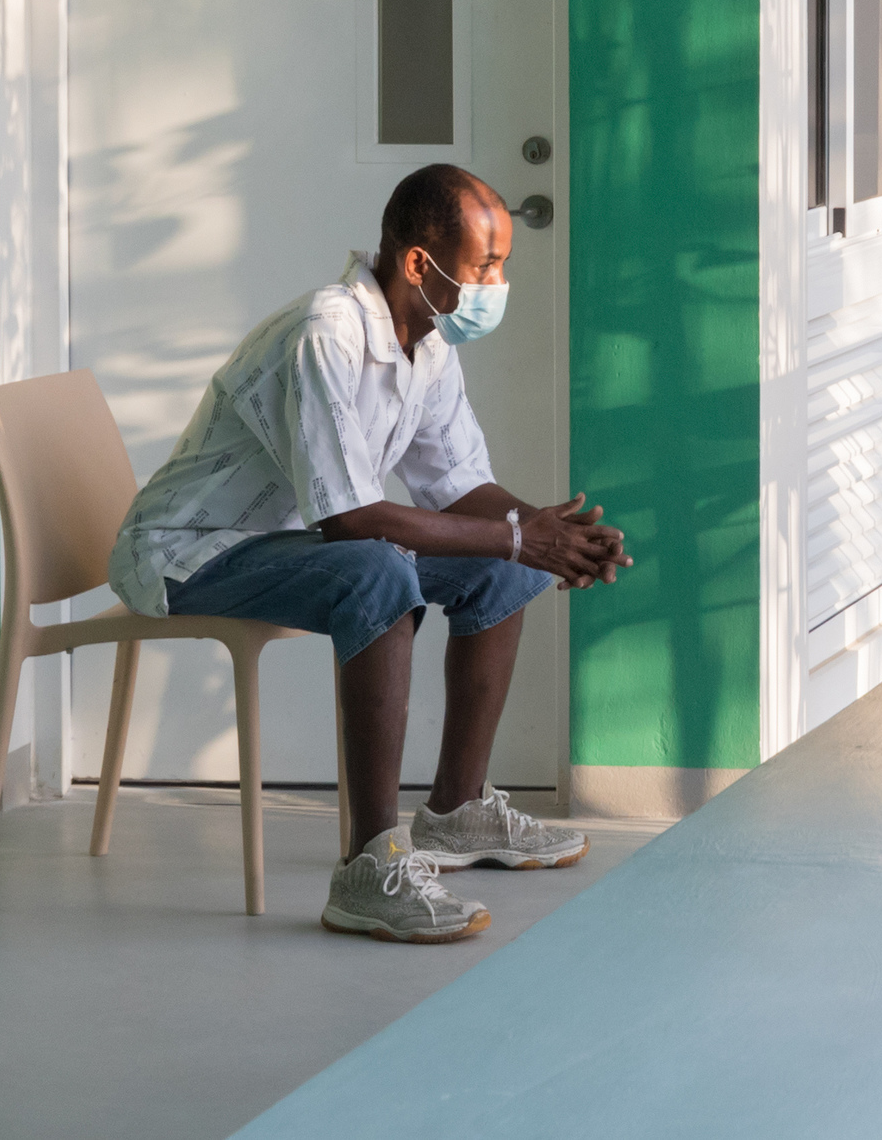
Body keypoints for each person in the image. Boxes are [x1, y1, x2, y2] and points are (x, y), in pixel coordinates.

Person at [110, 162, 630, 942]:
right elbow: (351, 520)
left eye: (503, 266)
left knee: (501, 561)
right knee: (379, 567)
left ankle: (456, 812)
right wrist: (527, 533)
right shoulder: (328, 333)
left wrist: (552, 538)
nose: (497, 284)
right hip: (187, 553)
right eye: (486, 265)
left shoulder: (426, 344)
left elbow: (458, 488)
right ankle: (369, 866)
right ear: (420, 262)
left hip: (280, 544)